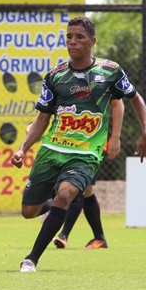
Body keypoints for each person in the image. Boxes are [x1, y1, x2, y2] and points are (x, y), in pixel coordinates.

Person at [10, 16, 146, 273]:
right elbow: (43, 117)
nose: (73, 42)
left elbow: (134, 98)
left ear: (92, 42)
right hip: (52, 150)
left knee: (66, 195)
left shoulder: (110, 71)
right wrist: (23, 148)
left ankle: (31, 259)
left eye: (79, 37)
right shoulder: (55, 76)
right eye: (69, 37)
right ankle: (54, 207)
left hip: (86, 153)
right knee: (28, 211)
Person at [52, 97, 124, 249]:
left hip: (92, 147)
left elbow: (118, 102)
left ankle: (64, 234)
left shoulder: (101, 78)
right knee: (86, 190)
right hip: (71, 145)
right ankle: (99, 238)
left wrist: (115, 137)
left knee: (81, 188)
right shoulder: (66, 79)